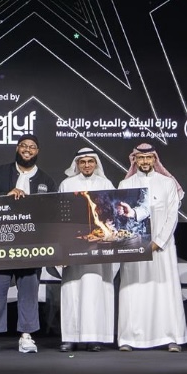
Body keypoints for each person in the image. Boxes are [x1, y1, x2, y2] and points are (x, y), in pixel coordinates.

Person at [0, 133, 57, 354]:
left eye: (32, 146)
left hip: (32, 247)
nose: (27, 149)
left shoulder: (46, 180)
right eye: (23, 146)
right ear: (17, 148)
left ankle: (26, 335)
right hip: (0, 244)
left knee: (29, 292)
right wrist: (5, 195)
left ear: (37, 151)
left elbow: (53, 214)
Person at [116, 142, 187, 352]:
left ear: (155, 159)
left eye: (149, 158)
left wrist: (158, 242)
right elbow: (131, 214)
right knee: (134, 292)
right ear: (135, 160)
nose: (145, 161)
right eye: (141, 158)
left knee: (165, 292)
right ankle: (130, 338)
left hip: (162, 248)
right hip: (135, 248)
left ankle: (172, 337)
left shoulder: (167, 183)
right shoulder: (125, 184)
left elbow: (172, 215)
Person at [57, 148, 116, 352]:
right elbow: (60, 216)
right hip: (73, 247)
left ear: (96, 163)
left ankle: (95, 338)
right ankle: (70, 337)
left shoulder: (105, 184)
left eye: (90, 161)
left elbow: (111, 215)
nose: (87, 165)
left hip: (99, 248)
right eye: (82, 162)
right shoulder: (67, 184)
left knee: (95, 290)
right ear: (77, 164)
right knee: (72, 290)